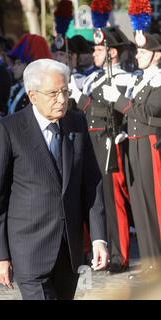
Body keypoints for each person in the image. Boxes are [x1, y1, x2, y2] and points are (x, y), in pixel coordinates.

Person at [0, 59, 108, 300]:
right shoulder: (7, 129)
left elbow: (91, 183)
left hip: (69, 249)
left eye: (65, 91)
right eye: (53, 93)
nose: (62, 99)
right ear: (32, 95)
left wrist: (99, 238)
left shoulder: (76, 122)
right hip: (29, 248)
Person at [70, 26, 134, 273]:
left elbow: (112, 113)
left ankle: (120, 254)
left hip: (109, 141)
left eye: (99, 49)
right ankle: (98, 248)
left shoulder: (126, 79)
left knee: (112, 198)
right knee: (92, 197)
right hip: (89, 141)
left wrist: (81, 98)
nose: (94, 53)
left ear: (113, 53)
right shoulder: (93, 77)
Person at [102, 31, 161, 273]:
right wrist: (124, 131)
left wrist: (118, 100)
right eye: (138, 51)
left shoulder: (159, 80)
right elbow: (135, 114)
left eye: (144, 52)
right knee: (138, 204)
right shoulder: (141, 79)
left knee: (154, 204)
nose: (138, 56)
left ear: (157, 55)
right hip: (134, 143)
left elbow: (149, 112)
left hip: (151, 145)